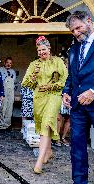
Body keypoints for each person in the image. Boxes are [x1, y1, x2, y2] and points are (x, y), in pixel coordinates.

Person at [62, 11, 94, 184]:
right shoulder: (74, 48)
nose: (76, 33)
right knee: (77, 148)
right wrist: (66, 91)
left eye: (78, 27)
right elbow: (72, 76)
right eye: (72, 30)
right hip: (77, 107)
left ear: (89, 21)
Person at [21, 36, 68, 174]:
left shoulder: (58, 62)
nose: (42, 52)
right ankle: (48, 152)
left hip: (53, 96)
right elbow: (26, 84)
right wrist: (33, 77)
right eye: (39, 50)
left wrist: (51, 86)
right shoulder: (33, 64)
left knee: (47, 124)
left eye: (44, 49)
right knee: (43, 126)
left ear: (49, 49)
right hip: (39, 98)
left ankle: (39, 162)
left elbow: (65, 79)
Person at [0, 57, 18, 131]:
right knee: (3, 108)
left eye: (10, 63)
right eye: (7, 62)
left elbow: (14, 82)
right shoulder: (0, 70)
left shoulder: (13, 71)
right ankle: (1, 125)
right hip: (3, 91)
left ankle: (7, 125)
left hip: (11, 92)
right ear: (4, 63)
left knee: (9, 108)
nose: (9, 64)